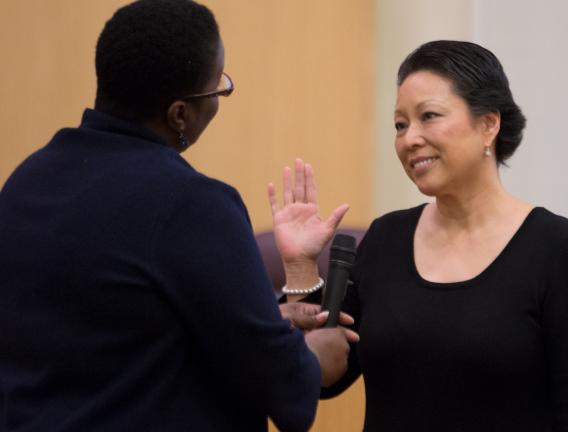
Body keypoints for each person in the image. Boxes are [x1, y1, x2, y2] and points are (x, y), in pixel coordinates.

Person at [0, 1, 357, 431]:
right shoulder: (193, 204)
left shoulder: (26, 181)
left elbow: (112, 327)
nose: (219, 101)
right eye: (218, 90)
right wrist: (317, 358)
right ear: (179, 114)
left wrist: (259, 320)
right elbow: (280, 386)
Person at [269, 41, 568, 431]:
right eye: (400, 124)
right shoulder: (386, 238)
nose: (409, 138)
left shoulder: (556, 249)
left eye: (428, 116)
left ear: (488, 125)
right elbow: (325, 377)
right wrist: (299, 268)